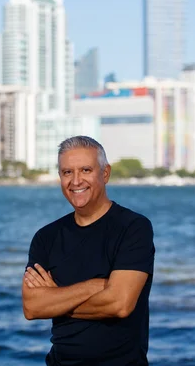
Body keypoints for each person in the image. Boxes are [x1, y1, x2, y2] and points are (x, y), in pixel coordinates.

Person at [22, 135, 155, 365]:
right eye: (67, 172)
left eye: (85, 170)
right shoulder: (46, 237)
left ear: (105, 173)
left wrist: (56, 298)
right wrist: (95, 286)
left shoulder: (133, 228)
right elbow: (32, 307)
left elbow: (119, 304)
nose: (76, 181)